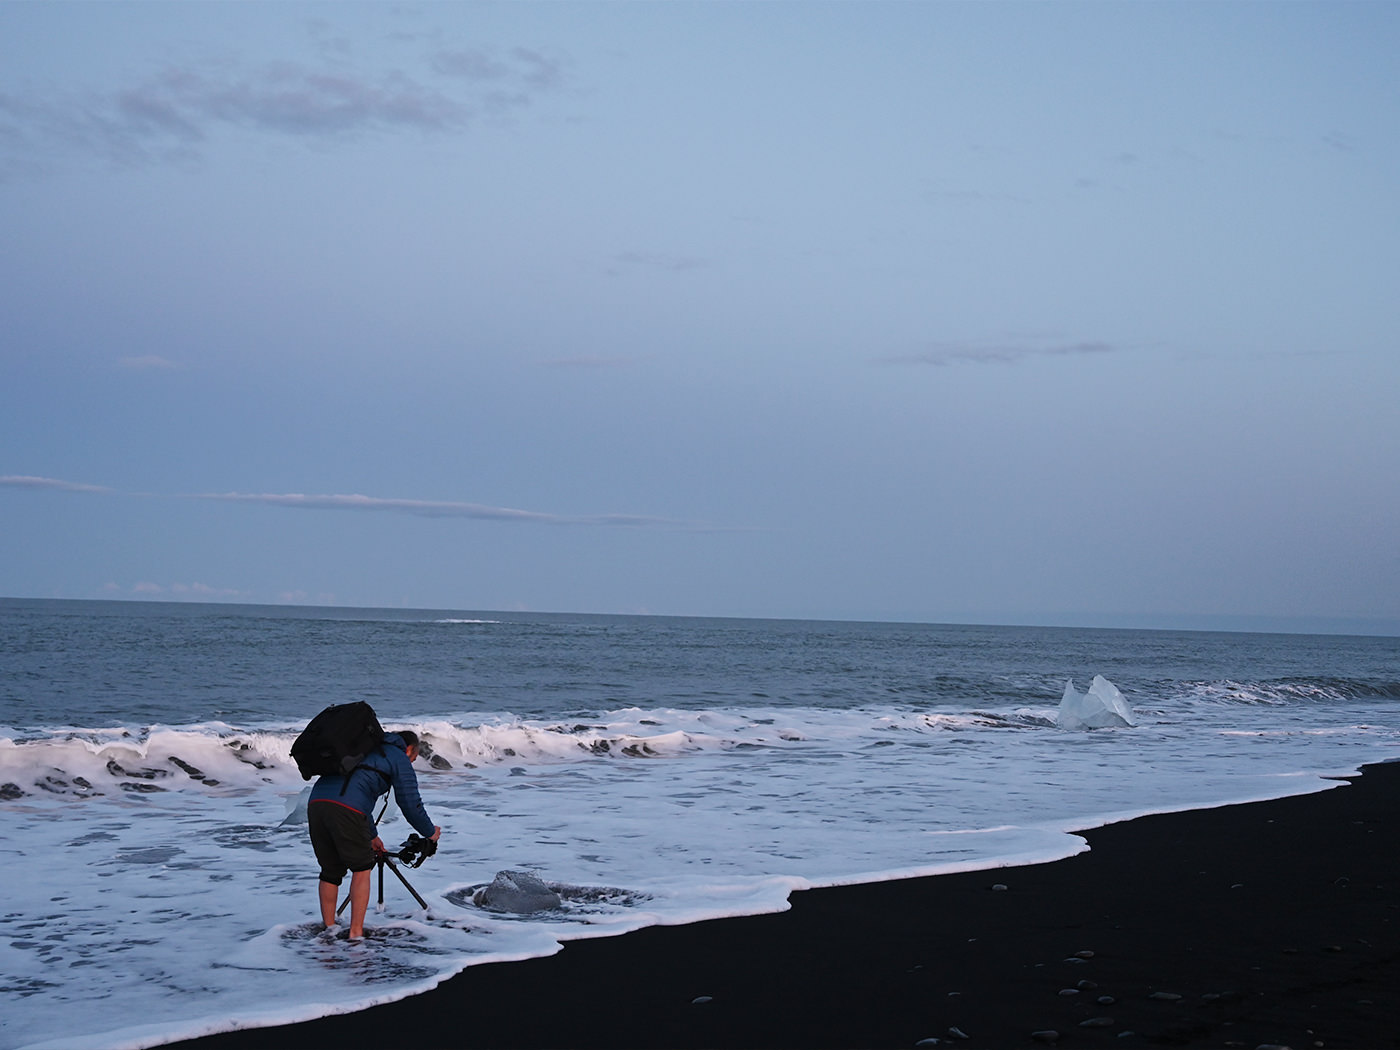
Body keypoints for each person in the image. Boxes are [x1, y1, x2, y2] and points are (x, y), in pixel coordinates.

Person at [307, 728, 441, 939]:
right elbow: (409, 803)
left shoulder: (363, 748)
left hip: (316, 803)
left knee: (330, 871)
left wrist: (371, 836)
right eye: (413, 759)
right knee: (362, 867)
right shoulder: (397, 756)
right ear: (409, 749)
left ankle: (329, 930)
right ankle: (355, 934)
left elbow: (356, 794)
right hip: (347, 807)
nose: (411, 763)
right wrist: (430, 832)